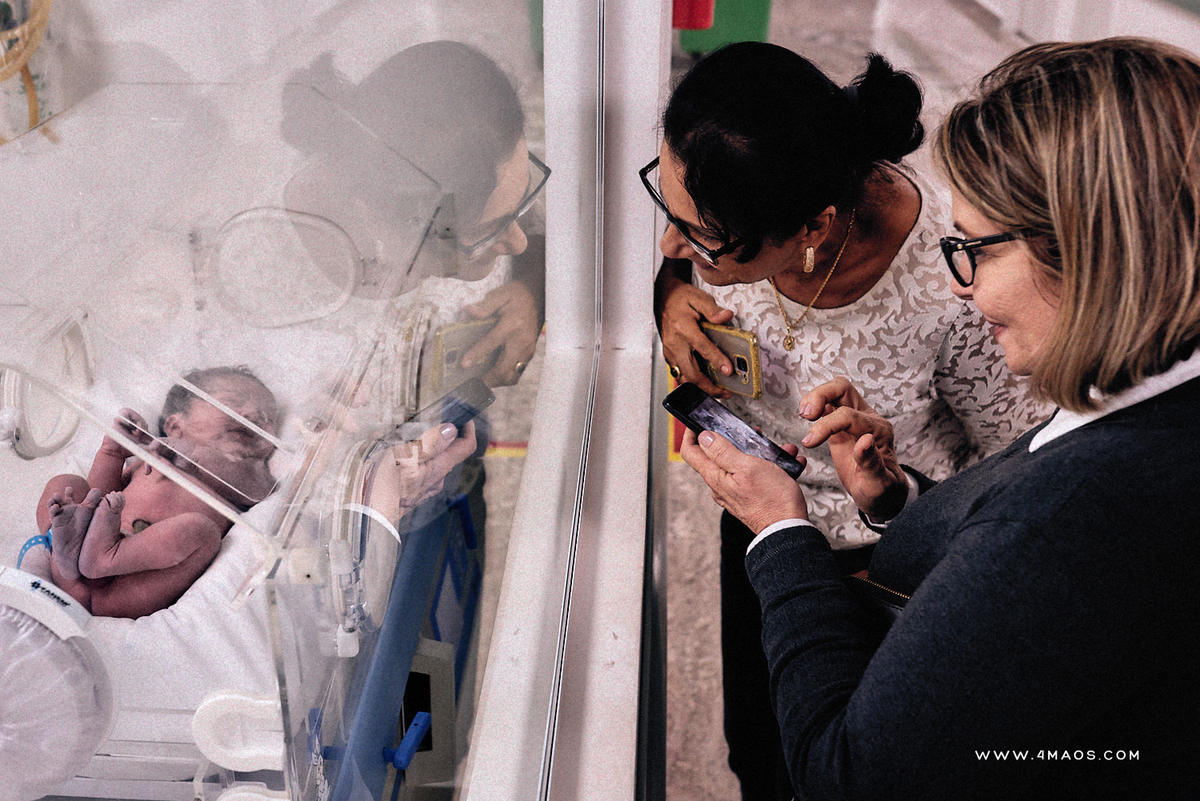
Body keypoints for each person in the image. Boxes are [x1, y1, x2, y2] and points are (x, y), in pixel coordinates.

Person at [680, 37, 1200, 799]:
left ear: (1086, 253)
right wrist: (899, 497)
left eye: (978, 253)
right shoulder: (1141, 410)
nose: (958, 283)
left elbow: (843, 776)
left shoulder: (1068, 523)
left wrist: (785, 533)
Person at [646, 41, 1048, 798]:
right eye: (667, 212)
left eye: (698, 236)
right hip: (760, 527)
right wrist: (667, 293)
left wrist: (896, 497)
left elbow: (1014, 466)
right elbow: (666, 251)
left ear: (814, 230)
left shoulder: (953, 289)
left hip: (886, 575)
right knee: (757, 753)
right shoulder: (724, 201)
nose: (673, 242)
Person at [33, 367, 279, 618]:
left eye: (265, 417)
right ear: (175, 425)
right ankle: (62, 540)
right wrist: (112, 453)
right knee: (66, 483)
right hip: (71, 568)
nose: (251, 415)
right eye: (233, 402)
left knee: (202, 532)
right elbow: (100, 494)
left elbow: (258, 492)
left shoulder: (251, 471)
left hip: (129, 590)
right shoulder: (148, 458)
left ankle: (104, 557)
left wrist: (190, 456)